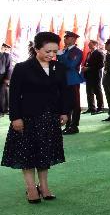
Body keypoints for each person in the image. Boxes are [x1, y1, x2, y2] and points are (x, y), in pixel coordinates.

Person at [2, 32, 70, 203]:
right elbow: (15, 95)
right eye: (48, 51)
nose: (52, 55)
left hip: (50, 118)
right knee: (27, 154)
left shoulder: (59, 67)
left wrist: (64, 112)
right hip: (27, 118)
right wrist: (15, 118)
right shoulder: (22, 68)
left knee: (45, 153)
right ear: (36, 48)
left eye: (55, 51)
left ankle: (44, 186)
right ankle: (31, 188)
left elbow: (64, 92)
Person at [58, 31, 84, 135]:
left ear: (73, 39)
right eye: (65, 37)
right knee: (66, 103)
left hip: (72, 80)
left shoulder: (76, 51)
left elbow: (71, 65)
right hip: (63, 80)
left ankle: (74, 126)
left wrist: (62, 56)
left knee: (75, 104)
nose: (65, 39)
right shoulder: (64, 51)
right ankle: (68, 125)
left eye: (67, 37)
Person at [82, 40, 104, 114]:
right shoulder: (89, 53)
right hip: (88, 75)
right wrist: (84, 67)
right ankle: (91, 107)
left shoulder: (99, 53)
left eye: (90, 44)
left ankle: (100, 108)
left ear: (95, 45)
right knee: (89, 92)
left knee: (97, 91)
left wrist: (89, 68)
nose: (88, 45)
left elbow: (101, 65)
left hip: (96, 76)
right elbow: (87, 63)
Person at [0, 43, 11, 117]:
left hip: (3, 77)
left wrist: (7, 78)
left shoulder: (7, 55)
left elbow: (9, 67)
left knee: (2, 94)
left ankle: (2, 111)